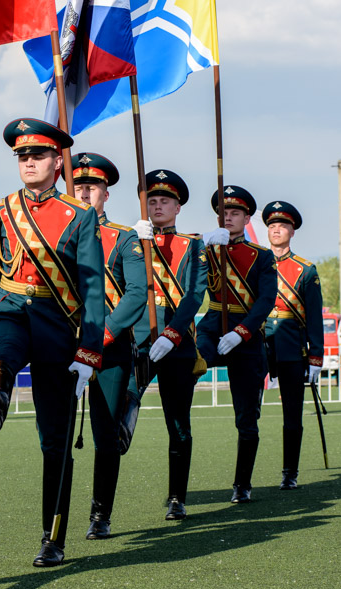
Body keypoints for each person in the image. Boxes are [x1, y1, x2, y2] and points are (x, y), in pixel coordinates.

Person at [0, 119, 105, 567]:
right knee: (4, 353)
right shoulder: (0, 210)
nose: (29, 163)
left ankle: (53, 537)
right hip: (9, 306)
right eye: (22, 157)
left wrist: (88, 351)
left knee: (55, 439)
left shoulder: (79, 215)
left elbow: (92, 288)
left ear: (57, 162)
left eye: (38, 156)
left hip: (57, 322)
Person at [66, 153, 146, 539]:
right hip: (64, 343)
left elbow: (137, 294)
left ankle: (101, 514)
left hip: (109, 348)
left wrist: (102, 335)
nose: (84, 192)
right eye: (78, 186)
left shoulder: (123, 237)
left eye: (92, 187)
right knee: (57, 433)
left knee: (105, 435)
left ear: (105, 194)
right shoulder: (58, 232)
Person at [128, 170, 208, 520]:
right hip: (138, 339)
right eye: (152, 201)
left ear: (178, 208)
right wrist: (133, 240)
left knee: (178, 424)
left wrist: (172, 334)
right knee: (121, 407)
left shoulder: (193, 246)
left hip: (177, 344)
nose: (157, 206)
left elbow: (194, 296)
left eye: (165, 201)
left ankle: (177, 497)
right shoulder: (131, 241)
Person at [196, 186, 277, 504]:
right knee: (186, 365)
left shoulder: (262, 256)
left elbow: (266, 301)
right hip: (212, 328)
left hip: (246, 336)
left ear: (246, 218)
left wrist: (241, 332)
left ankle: (242, 483)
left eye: (234, 213)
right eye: (223, 213)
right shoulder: (205, 247)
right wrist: (202, 242)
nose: (228, 217)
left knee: (246, 418)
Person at [262, 201, 323, 490]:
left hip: (291, 347)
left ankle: (290, 472)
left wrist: (316, 356)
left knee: (292, 416)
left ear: (292, 231)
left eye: (282, 226)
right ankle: (242, 481)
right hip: (259, 344)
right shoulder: (256, 263)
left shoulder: (306, 270)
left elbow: (314, 317)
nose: (276, 230)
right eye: (272, 226)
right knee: (248, 415)